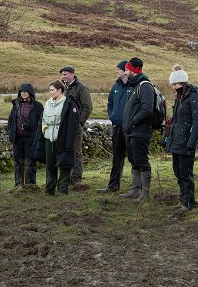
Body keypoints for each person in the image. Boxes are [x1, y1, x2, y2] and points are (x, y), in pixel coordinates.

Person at [165, 65, 198, 212]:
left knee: (185, 173)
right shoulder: (180, 97)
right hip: (177, 141)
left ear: (183, 83)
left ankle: (188, 203)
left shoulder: (194, 98)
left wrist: (191, 143)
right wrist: (168, 138)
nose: (174, 87)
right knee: (178, 172)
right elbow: (175, 121)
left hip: (186, 142)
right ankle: (183, 199)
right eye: (173, 84)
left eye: (175, 84)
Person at [35, 80, 80, 195]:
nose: (50, 92)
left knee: (64, 163)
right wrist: (45, 129)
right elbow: (43, 119)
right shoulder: (48, 103)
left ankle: (62, 189)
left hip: (62, 138)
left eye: (52, 90)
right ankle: (49, 189)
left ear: (59, 90)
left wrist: (68, 139)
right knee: (50, 164)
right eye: (50, 90)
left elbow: (72, 123)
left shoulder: (68, 103)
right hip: (49, 137)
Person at [120, 57, 154, 202]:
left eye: (127, 69)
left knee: (142, 161)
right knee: (134, 160)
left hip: (140, 131)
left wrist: (133, 122)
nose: (125, 72)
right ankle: (135, 190)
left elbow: (147, 110)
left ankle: (145, 193)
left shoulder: (144, 86)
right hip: (132, 131)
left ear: (133, 70)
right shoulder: (135, 86)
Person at [99, 60, 132, 193]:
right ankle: (113, 185)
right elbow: (110, 103)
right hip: (118, 127)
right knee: (117, 157)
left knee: (134, 158)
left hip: (130, 128)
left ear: (125, 71)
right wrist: (112, 116)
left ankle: (137, 187)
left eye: (118, 69)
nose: (116, 71)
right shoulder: (115, 87)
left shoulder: (134, 86)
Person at [60, 65, 93, 190]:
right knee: (64, 150)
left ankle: (76, 179)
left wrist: (79, 122)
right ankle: (65, 178)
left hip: (75, 126)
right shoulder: (62, 88)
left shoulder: (81, 88)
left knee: (76, 152)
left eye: (66, 74)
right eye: (62, 74)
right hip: (63, 126)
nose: (63, 77)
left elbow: (88, 107)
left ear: (72, 74)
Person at [7, 83, 44, 187]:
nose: (23, 93)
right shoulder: (16, 104)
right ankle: (18, 184)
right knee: (18, 161)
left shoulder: (37, 106)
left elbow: (41, 122)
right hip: (18, 138)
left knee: (30, 161)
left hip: (31, 138)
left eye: (25, 91)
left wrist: (37, 136)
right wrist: (11, 133)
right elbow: (11, 120)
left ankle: (30, 185)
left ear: (30, 93)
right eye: (21, 91)